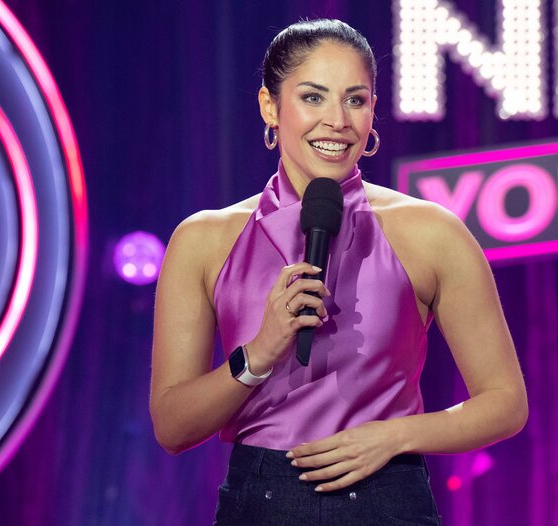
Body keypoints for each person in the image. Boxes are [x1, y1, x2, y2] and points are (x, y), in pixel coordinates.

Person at [150, 19, 528, 525]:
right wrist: (259, 354)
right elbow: (173, 427)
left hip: (387, 497)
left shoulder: (431, 233)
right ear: (270, 107)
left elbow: (504, 402)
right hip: (260, 502)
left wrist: (393, 436)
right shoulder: (203, 240)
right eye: (313, 97)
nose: (337, 121)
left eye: (355, 100)